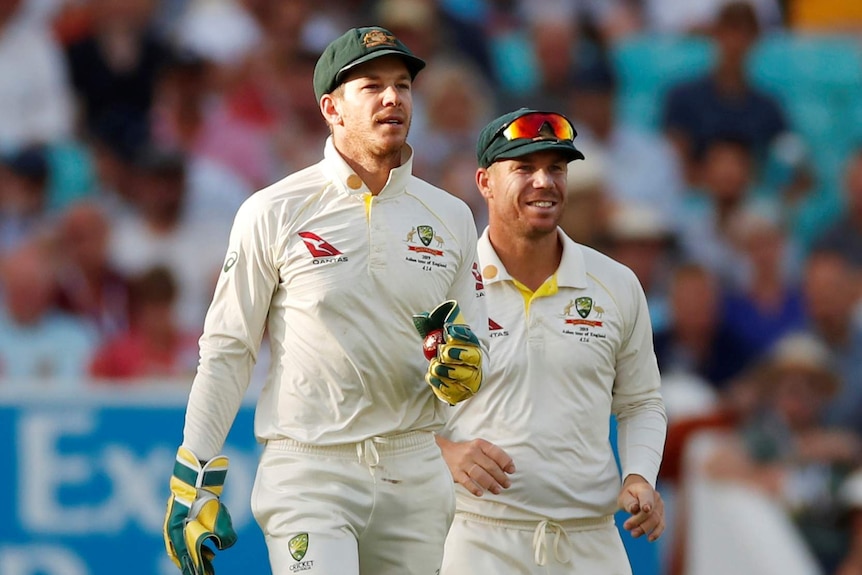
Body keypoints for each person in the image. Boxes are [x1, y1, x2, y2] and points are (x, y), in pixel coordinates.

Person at [161, 26, 488, 575]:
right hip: (310, 470)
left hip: (416, 468)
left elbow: (472, 351)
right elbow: (227, 349)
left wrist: (466, 371)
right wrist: (193, 476)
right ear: (331, 108)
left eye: (403, 85)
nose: (393, 98)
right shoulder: (274, 210)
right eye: (373, 86)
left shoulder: (451, 217)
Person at [436, 108, 667, 575]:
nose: (544, 181)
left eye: (556, 168)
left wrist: (639, 476)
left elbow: (641, 401)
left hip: (591, 542)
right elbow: (389, 401)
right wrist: (445, 452)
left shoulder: (616, 284)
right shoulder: (442, 284)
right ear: (485, 182)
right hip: (477, 537)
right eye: (523, 168)